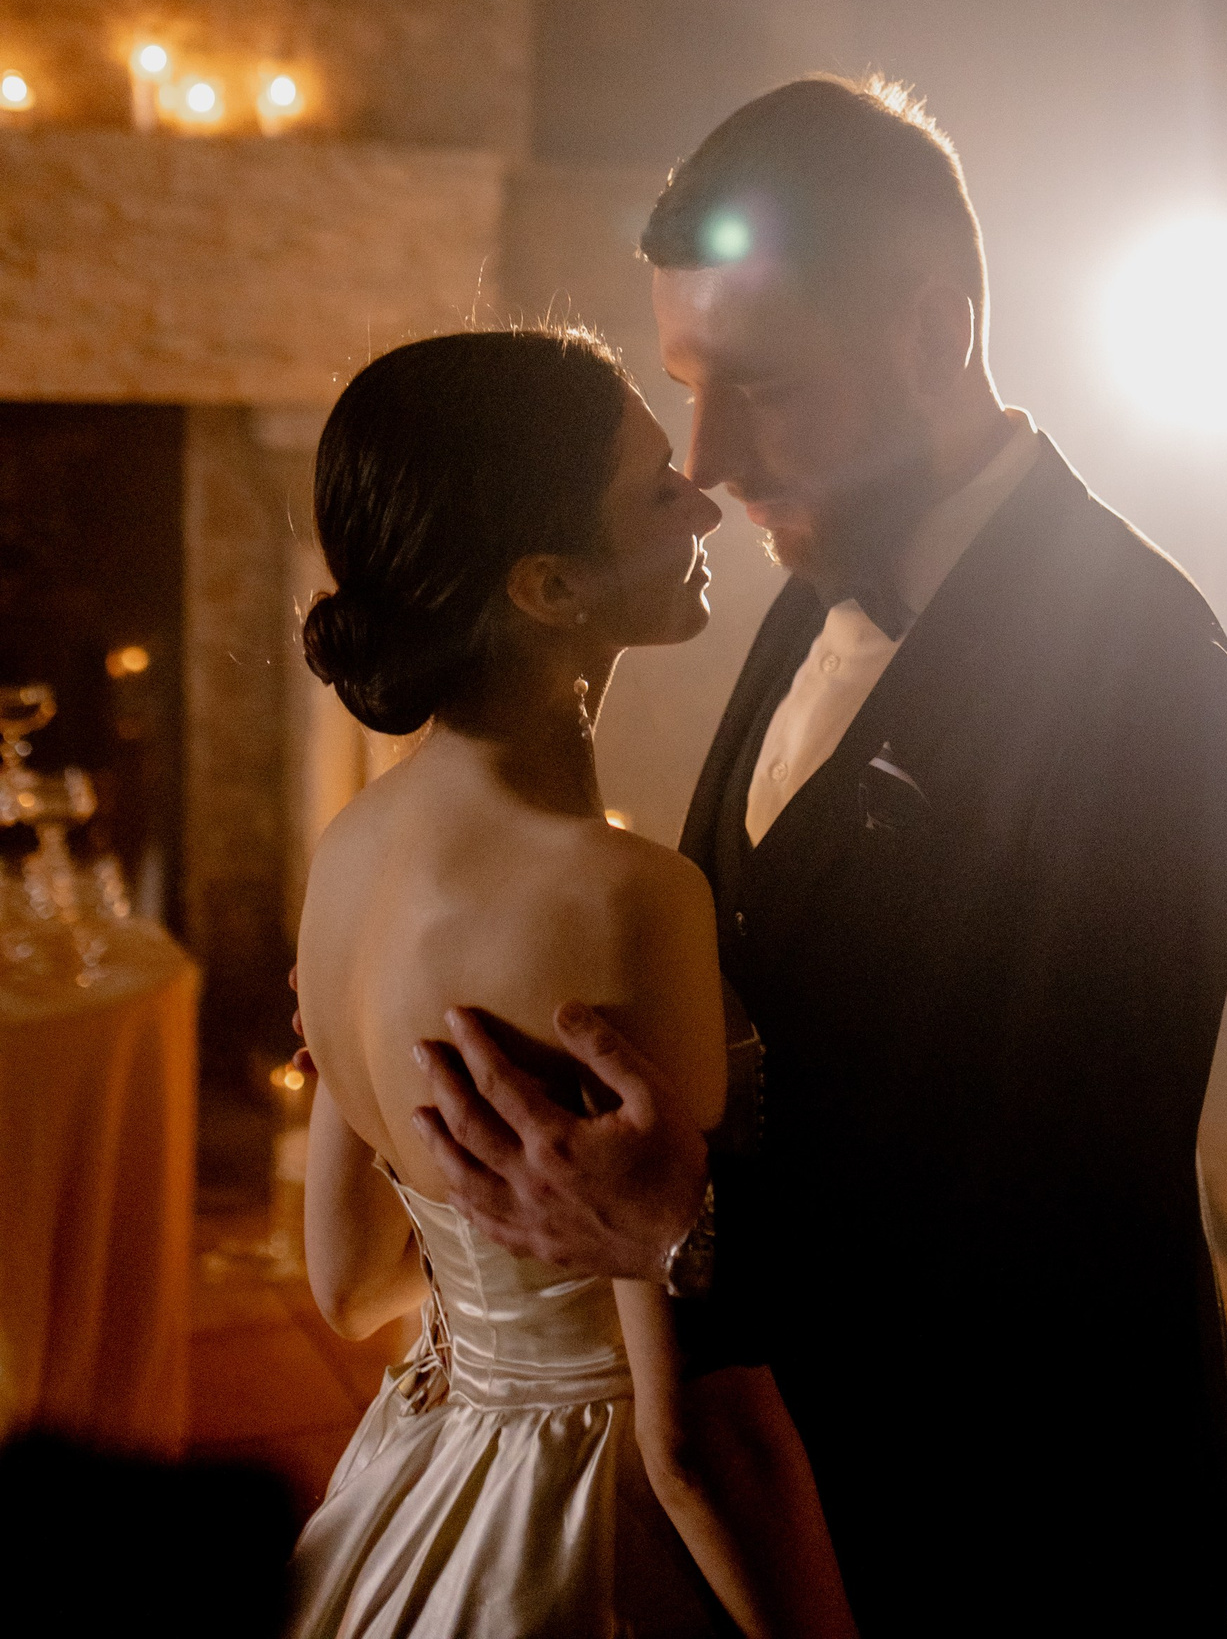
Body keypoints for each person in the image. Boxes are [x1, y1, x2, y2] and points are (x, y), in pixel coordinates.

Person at [415, 79, 1227, 1635]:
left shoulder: (1146, 668)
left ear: (935, 334)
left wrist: (687, 1233)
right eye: (687, 387)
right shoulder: (817, 576)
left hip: (1040, 1514)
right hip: (805, 1501)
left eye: (766, 388)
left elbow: (1072, 1187)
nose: (708, 459)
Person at [287, 325, 857, 1639]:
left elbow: (349, 1284)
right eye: (656, 491)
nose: (702, 502)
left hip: (429, 1487)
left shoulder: (348, 853)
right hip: (592, 1529)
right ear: (549, 587)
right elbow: (695, 1447)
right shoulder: (620, 898)